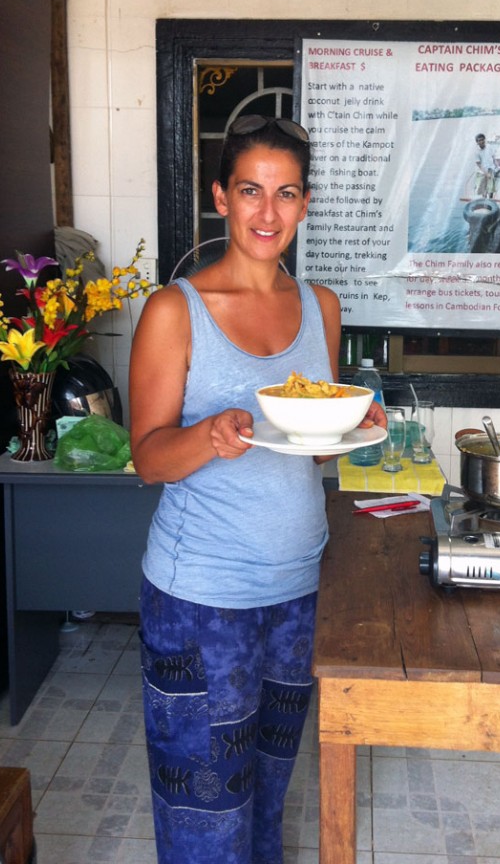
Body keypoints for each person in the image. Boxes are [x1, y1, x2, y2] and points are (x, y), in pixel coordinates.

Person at [129, 114, 385, 864]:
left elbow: (306, 454)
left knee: (269, 793)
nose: (267, 213)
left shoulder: (321, 307)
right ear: (221, 197)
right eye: (250, 191)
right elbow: (147, 459)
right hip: (200, 597)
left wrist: (347, 423)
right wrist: (210, 434)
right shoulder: (176, 311)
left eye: (286, 194)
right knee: (206, 810)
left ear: (305, 205)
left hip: (297, 588)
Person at [474, 132, 497, 196]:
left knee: (491, 188)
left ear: (484, 140)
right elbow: (479, 165)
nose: (481, 141)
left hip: (490, 169)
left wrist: (496, 166)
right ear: (477, 142)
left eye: (482, 139)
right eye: (479, 140)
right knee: (483, 189)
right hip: (482, 171)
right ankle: (484, 200)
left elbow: (493, 157)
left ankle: (491, 199)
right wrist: (486, 174)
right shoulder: (477, 152)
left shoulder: (489, 147)